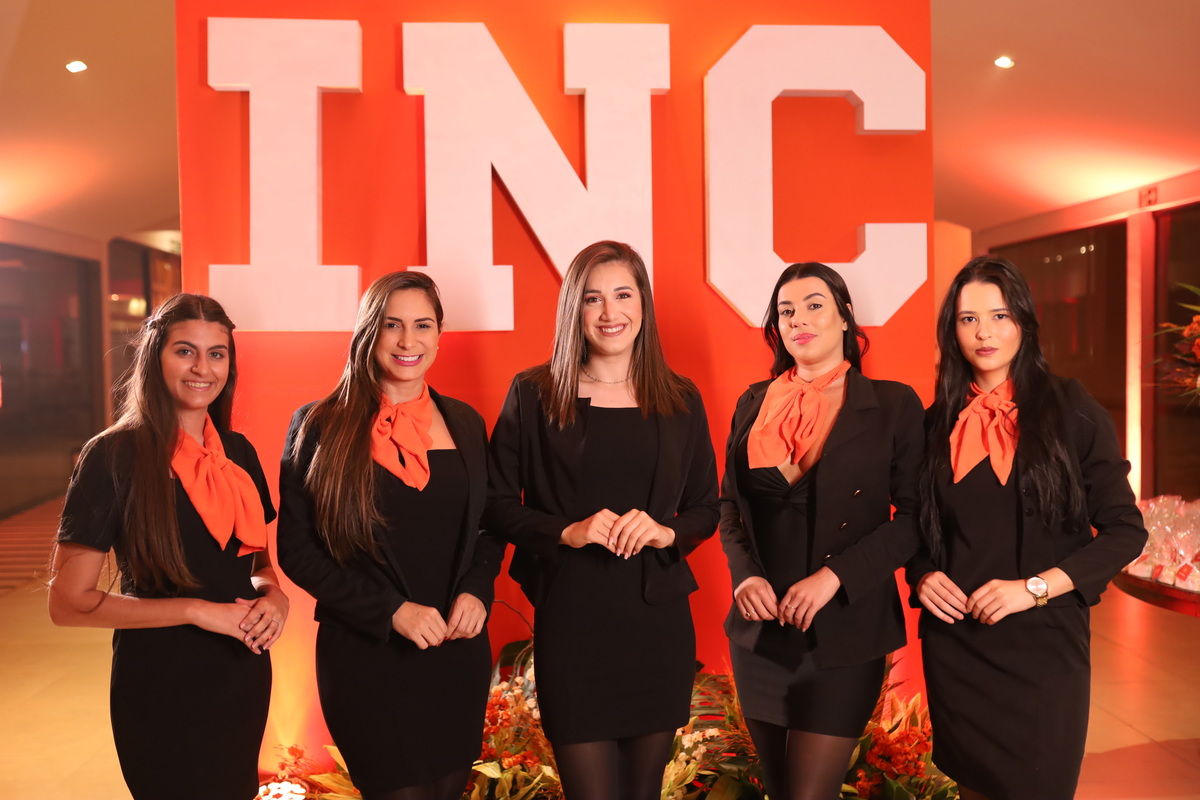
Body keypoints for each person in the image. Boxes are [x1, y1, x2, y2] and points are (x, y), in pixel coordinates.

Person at [485, 240, 718, 800]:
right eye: (593, 298)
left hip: (656, 626)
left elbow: (707, 508)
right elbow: (493, 503)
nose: (610, 312)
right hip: (574, 622)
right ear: (575, 308)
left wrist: (665, 531)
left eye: (623, 295)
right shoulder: (535, 393)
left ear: (643, 303)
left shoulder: (681, 398)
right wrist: (567, 531)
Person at [909, 256, 1147, 800]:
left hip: (1045, 647)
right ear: (952, 330)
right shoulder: (934, 422)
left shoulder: (1072, 408)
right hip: (958, 646)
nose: (984, 333)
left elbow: (1125, 530)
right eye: (969, 319)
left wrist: (1033, 589)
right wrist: (922, 575)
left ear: (1024, 320)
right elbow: (917, 528)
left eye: (999, 316)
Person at [48, 294, 285, 800]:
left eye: (216, 354)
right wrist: (197, 610)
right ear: (155, 358)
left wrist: (275, 597)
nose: (202, 368)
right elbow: (68, 603)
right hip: (160, 683)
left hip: (240, 672)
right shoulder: (112, 455)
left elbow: (259, 564)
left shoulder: (238, 451)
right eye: (185, 351)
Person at [277, 272, 503, 800]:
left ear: (439, 334)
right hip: (367, 655)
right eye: (392, 325)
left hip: (455, 652)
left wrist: (477, 590)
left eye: (422, 325)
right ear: (368, 333)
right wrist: (391, 611)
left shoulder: (466, 423)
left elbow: (491, 524)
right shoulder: (319, 425)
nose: (408, 341)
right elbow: (297, 550)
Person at [719, 262, 924, 800]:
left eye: (814, 305)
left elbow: (915, 520)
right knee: (779, 789)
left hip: (847, 632)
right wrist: (745, 577)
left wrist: (833, 577)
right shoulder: (752, 402)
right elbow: (730, 506)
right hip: (761, 633)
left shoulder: (893, 403)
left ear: (845, 317)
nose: (798, 320)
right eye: (786, 311)